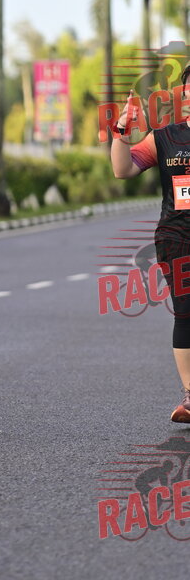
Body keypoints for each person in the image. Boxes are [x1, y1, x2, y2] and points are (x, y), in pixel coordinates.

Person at [110, 76, 190, 424]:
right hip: (177, 237)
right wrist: (121, 131)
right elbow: (123, 168)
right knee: (185, 311)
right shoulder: (165, 137)